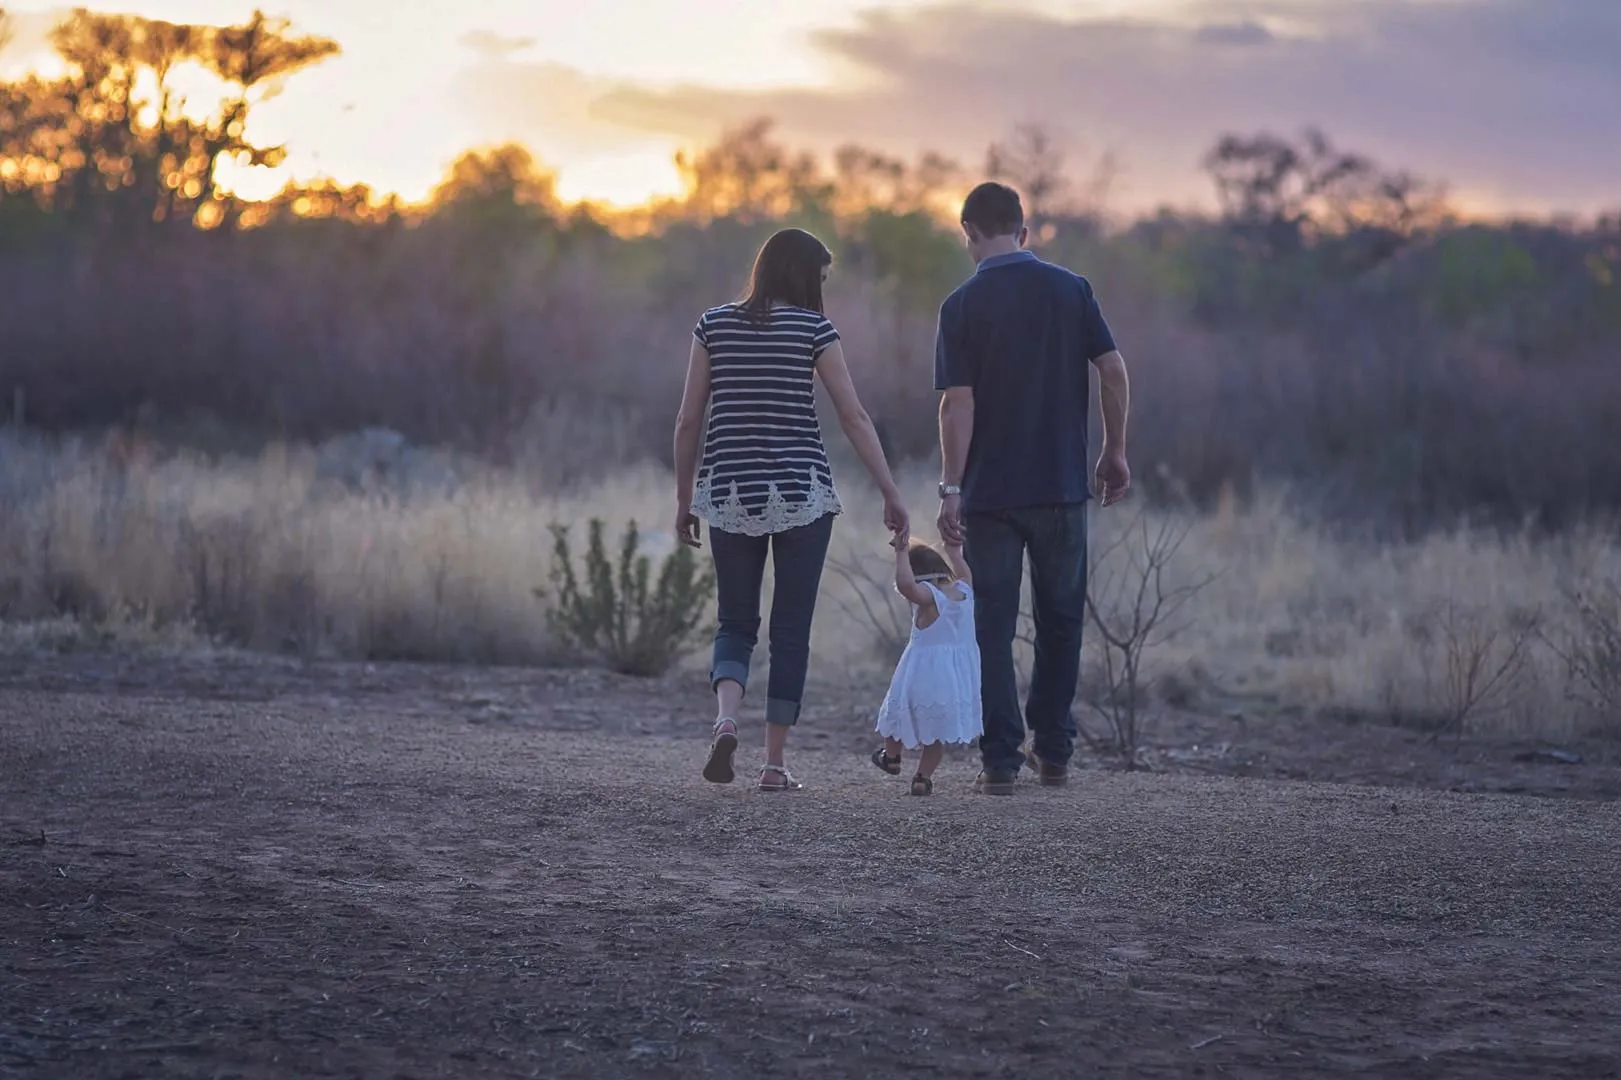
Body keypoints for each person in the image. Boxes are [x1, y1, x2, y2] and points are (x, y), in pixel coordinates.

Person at [673, 227, 909, 793]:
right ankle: (774, 765)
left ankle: (727, 719)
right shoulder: (814, 330)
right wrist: (890, 491)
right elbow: (853, 418)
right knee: (791, 630)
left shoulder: (713, 325)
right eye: (821, 278)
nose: (822, 290)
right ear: (804, 276)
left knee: (735, 621)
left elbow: (687, 421)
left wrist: (685, 500)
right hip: (803, 493)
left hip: (729, 492)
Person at [933, 182, 1133, 796]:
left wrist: (950, 487)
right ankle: (1054, 753)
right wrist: (1114, 450)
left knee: (992, 626)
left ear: (967, 232)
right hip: (1062, 488)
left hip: (991, 496)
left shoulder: (961, 305)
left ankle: (999, 762)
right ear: (1024, 231)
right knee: (1061, 621)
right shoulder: (1071, 290)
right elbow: (1113, 370)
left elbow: (956, 406)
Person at [870, 538, 982, 796]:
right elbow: (964, 572)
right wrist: (954, 551)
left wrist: (900, 554)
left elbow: (906, 586)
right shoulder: (964, 591)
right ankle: (922, 778)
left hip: (921, 673)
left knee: (897, 714)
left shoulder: (929, 597)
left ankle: (892, 757)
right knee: (935, 734)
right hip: (954, 678)